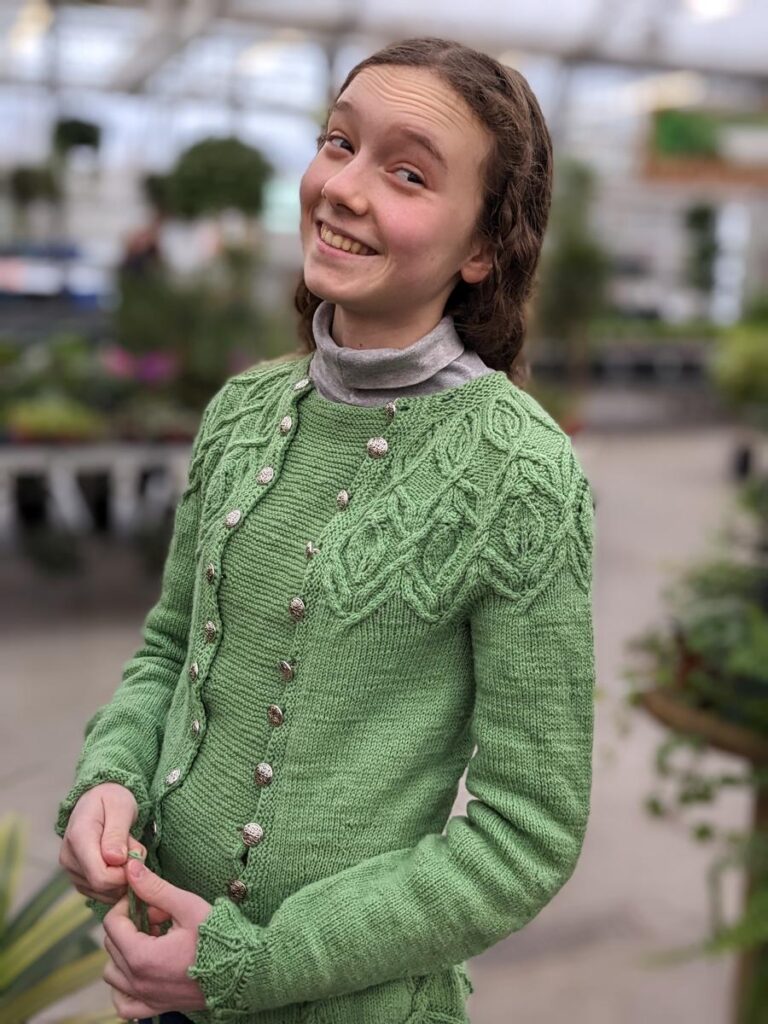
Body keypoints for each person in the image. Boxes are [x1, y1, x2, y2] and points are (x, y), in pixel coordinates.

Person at [56, 36, 597, 1024]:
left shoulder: (522, 473)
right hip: (155, 989)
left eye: (406, 172)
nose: (342, 187)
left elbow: (527, 832)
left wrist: (251, 966)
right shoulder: (243, 410)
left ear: (484, 246)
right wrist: (110, 777)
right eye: (336, 142)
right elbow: (172, 646)